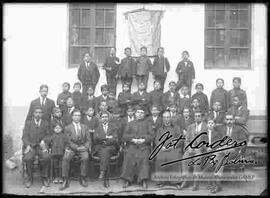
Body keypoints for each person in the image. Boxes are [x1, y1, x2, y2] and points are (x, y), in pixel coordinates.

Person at [121, 106, 154, 189]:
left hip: (144, 146)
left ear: (144, 114)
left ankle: (143, 179)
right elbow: (124, 136)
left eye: (141, 113)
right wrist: (133, 139)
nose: (139, 114)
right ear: (135, 114)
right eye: (138, 112)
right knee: (129, 156)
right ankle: (128, 179)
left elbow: (152, 136)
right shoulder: (130, 124)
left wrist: (143, 140)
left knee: (144, 157)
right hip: (132, 145)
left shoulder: (148, 124)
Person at [60, 109, 91, 190]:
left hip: (83, 147)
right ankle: (65, 179)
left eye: (79, 115)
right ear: (72, 117)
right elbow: (68, 141)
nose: (77, 117)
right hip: (72, 148)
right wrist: (76, 148)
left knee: (85, 157)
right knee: (66, 158)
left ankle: (82, 177)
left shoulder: (85, 127)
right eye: (75, 115)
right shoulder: (68, 127)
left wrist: (85, 147)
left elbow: (88, 140)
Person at [153, 111, 184, 189]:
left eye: (168, 117)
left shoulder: (176, 127)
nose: (166, 119)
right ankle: (161, 181)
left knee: (174, 158)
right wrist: (161, 146)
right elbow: (157, 139)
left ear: (170, 118)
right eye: (164, 117)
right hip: (163, 149)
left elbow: (180, 138)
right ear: (162, 119)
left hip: (174, 148)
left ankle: (175, 181)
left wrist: (173, 145)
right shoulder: (160, 129)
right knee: (160, 158)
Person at [22, 106, 51, 188]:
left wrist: (44, 141)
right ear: (33, 113)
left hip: (41, 147)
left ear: (42, 114)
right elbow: (24, 137)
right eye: (36, 112)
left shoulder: (45, 123)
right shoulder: (28, 123)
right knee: (28, 158)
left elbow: (49, 135)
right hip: (31, 147)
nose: (38, 114)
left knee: (46, 157)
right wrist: (27, 145)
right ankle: (30, 179)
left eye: (40, 112)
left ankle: (45, 178)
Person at [180, 110, 208, 191]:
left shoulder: (205, 127)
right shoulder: (190, 126)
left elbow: (207, 141)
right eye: (196, 116)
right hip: (190, 148)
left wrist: (198, 148)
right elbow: (187, 139)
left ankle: (196, 182)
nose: (197, 118)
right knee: (185, 158)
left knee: (197, 159)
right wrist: (189, 147)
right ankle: (186, 180)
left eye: (199, 116)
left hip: (200, 149)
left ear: (202, 117)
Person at [92, 111, 119, 186]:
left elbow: (115, 139)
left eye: (106, 117)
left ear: (108, 118)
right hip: (99, 148)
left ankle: (102, 172)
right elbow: (95, 139)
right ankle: (106, 179)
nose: (105, 119)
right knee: (105, 151)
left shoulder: (113, 127)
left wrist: (104, 141)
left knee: (106, 150)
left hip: (111, 147)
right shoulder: (97, 127)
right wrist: (106, 137)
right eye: (103, 117)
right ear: (100, 119)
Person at [203, 119, 226, 194]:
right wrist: (206, 148)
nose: (210, 124)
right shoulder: (203, 134)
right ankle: (211, 183)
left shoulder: (218, 134)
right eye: (209, 123)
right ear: (206, 124)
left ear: (214, 125)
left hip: (214, 152)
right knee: (207, 166)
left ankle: (215, 184)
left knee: (213, 163)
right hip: (205, 153)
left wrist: (212, 148)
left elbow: (219, 144)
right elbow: (201, 143)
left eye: (212, 123)